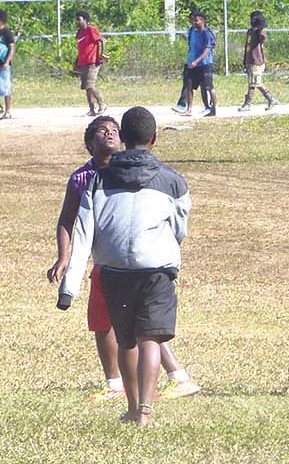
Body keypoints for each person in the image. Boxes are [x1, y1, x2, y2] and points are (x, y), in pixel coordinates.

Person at [47, 114, 201, 402]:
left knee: (136, 329)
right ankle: (143, 388)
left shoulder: (130, 176)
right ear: (88, 143)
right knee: (123, 326)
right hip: (111, 262)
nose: (108, 134)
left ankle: (132, 387)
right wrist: (64, 257)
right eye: (101, 131)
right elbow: (69, 221)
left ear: (124, 139)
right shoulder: (83, 178)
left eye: (114, 130)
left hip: (119, 266)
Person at [172, 11, 217, 117]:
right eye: (193, 20)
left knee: (208, 87)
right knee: (189, 85)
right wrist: (190, 60)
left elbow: (207, 49)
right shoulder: (192, 31)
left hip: (204, 64)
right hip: (191, 63)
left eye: (196, 20)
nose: (194, 22)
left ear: (202, 21)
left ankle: (213, 109)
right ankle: (189, 109)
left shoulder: (206, 32)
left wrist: (197, 61)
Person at [238, 10, 276, 112]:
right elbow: (247, 46)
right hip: (249, 60)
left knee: (254, 83)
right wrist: (245, 61)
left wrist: (260, 28)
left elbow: (263, 38)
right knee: (254, 83)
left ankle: (249, 104)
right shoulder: (250, 31)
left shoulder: (260, 32)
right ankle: (269, 99)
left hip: (257, 61)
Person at [74, 10, 107, 117]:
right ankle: (91, 109)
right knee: (86, 87)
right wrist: (76, 62)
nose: (77, 21)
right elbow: (81, 49)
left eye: (79, 19)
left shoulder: (91, 30)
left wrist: (103, 54)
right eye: (76, 19)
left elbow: (103, 40)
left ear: (85, 20)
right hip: (83, 62)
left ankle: (102, 103)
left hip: (93, 61)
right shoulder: (79, 33)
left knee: (90, 85)